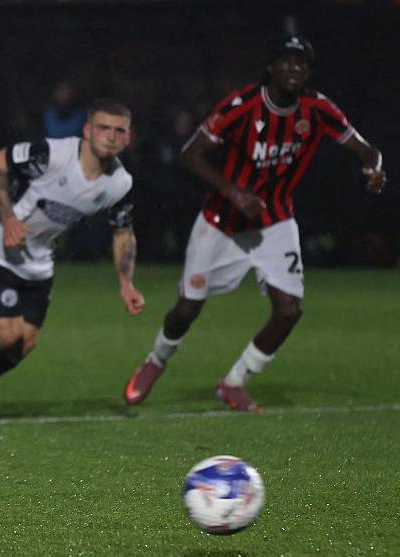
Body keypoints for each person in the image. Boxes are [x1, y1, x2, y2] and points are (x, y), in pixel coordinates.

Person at [122, 34, 386, 411]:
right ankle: (156, 360)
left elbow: (365, 148)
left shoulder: (318, 108)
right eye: (286, 61)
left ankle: (234, 382)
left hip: (275, 222)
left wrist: (373, 168)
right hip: (220, 223)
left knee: (289, 311)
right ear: (270, 67)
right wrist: (233, 192)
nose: (294, 68)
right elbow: (191, 154)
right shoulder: (241, 106)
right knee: (187, 309)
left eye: (302, 63)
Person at [0, 99, 145, 423]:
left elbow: (122, 232)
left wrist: (126, 282)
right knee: (5, 334)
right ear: (87, 130)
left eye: (119, 131)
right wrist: (9, 218)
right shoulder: (53, 154)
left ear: (128, 138)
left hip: (40, 260)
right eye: (103, 127)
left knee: (24, 343)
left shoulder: (119, 183)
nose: (111, 136)